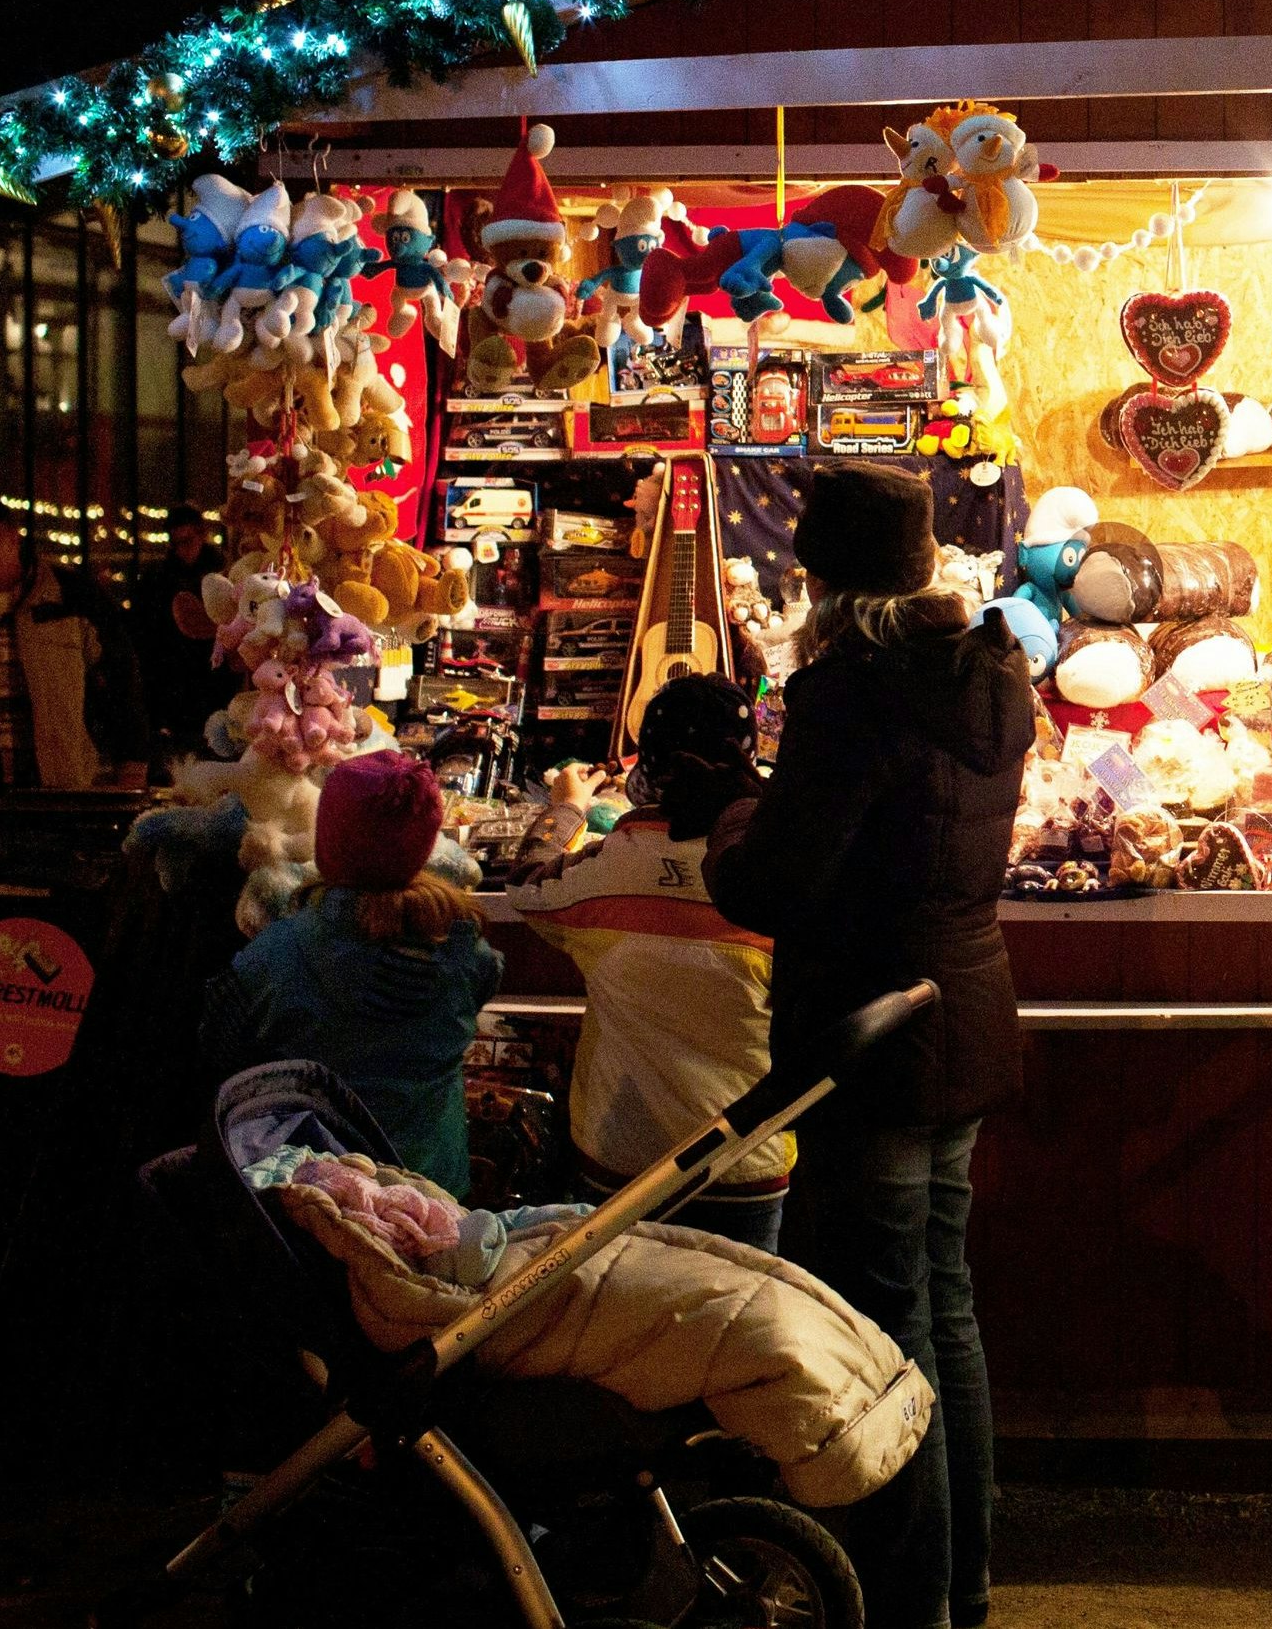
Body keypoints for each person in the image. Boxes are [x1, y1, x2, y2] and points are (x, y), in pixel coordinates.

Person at [707, 460, 1038, 1629]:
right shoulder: (989, 670)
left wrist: (735, 820)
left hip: (876, 1029)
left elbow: (781, 880)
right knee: (942, 1309)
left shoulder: (850, 694)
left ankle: (912, 1601)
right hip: (963, 1012)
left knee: (889, 1331)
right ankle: (963, 1584)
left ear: (821, 577)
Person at [502, 674, 793, 1250]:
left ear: (650, 768)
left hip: (621, 1160)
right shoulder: (783, 867)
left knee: (624, 1323)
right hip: (748, 1161)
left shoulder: (611, 869)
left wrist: (567, 810)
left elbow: (526, 884)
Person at [203, 748, 500, 1189]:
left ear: (329, 840)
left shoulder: (268, 959)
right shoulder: (470, 956)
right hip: (432, 1192)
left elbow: (219, 1062)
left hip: (311, 1197)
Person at [0, 494, 145, 800]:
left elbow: (121, 682)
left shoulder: (71, 597)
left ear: (11, 538)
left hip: (58, 794)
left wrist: (131, 763)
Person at [131, 505, 239, 765]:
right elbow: (146, 628)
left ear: (202, 535)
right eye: (176, 543)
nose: (182, 550)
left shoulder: (222, 573)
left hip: (214, 675)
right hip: (175, 677)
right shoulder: (160, 579)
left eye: (187, 541)